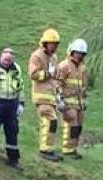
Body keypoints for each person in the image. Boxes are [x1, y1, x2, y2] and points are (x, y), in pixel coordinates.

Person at [29, 28, 62, 161]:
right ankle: (44, 150)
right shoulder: (36, 56)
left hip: (51, 96)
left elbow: (55, 78)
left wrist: (58, 93)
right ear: (45, 43)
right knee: (49, 121)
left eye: (55, 44)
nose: (53, 46)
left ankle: (49, 148)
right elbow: (33, 74)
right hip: (41, 95)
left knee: (53, 123)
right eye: (51, 44)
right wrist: (47, 73)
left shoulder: (54, 58)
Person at [56, 39, 89, 159]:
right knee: (71, 125)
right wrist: (60, 99)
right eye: (77, 53)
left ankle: (73, 148)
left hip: (79, 103)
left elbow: (84, 86)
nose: (79, 55)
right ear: (72, 52)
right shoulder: (64, 66)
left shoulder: (82, 68)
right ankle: (67, 149)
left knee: (79, 127)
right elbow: (57, 83)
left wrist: (85, 99)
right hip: (68, 102)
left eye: (81, 53)